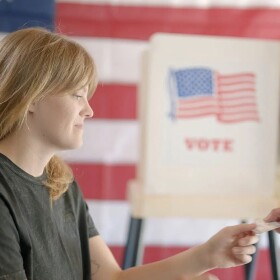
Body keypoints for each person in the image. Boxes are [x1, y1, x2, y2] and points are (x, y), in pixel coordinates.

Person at [0, 27, 259, 280]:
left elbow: (112, 277)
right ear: (30, 96)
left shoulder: (60, 183)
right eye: (77, 95)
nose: (89, 111)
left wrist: (206, 256)